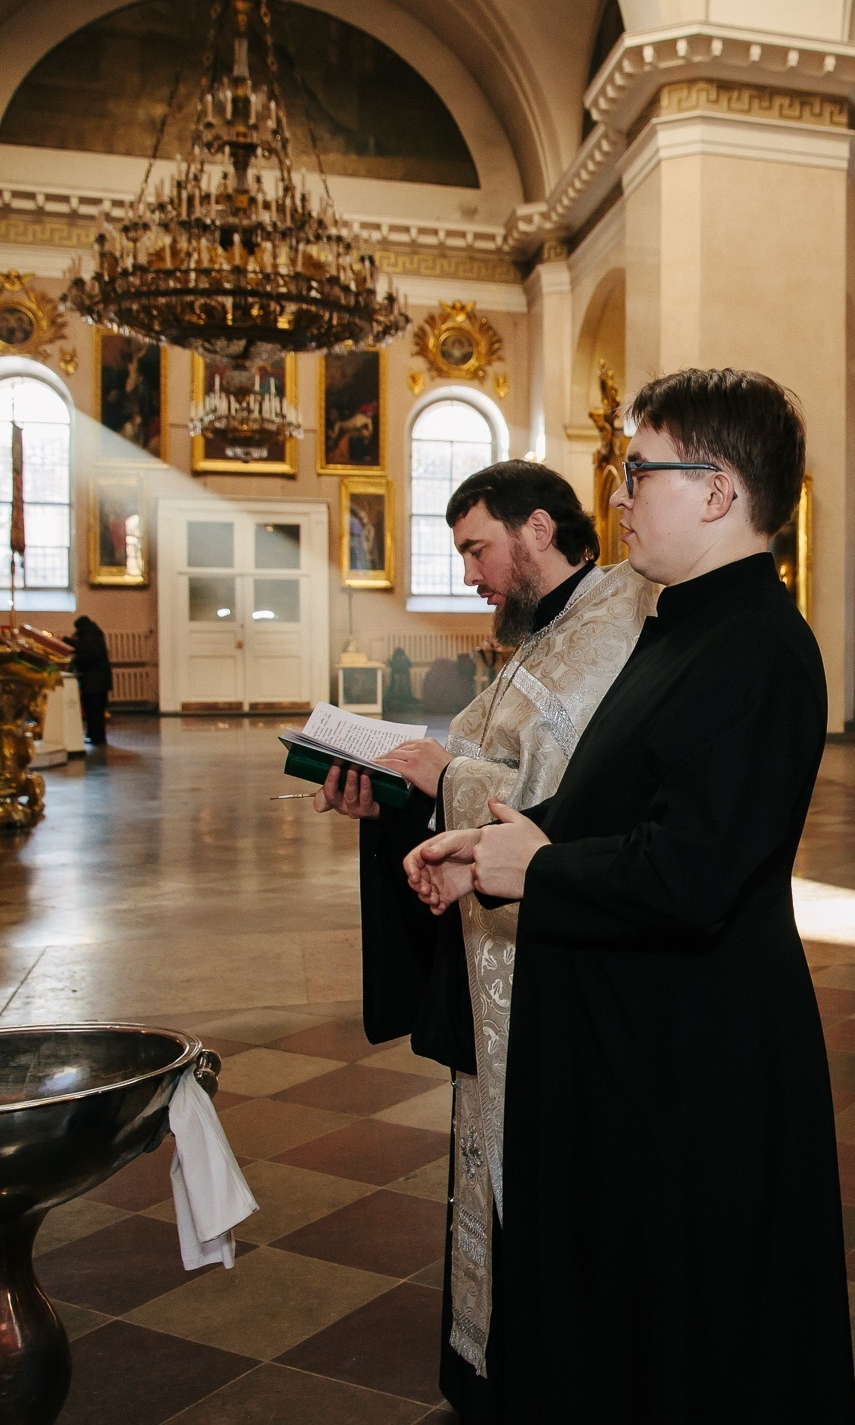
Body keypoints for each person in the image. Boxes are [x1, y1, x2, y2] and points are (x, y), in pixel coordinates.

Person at [401, 368, 854, 1420]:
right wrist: (491, 843)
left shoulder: (761, 648)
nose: (616, 496)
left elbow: (692, 870)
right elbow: (614, 800)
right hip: (637, 1036)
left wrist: (538, 868)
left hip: (699, 1052)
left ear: (714, 490)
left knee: (699, 1326)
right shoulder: (678, 623)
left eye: (636, 471)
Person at [315, 460, 658, 1418]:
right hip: (493, 937)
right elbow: (474, 752)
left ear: (538, 529)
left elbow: (560, 800)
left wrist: (436, 775)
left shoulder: (615, 623)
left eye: (476, 547)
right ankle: (497, 1362)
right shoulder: (541, 634)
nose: (469, 572)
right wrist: (384, 787)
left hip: (560, 947)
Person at [68, 616, 112, 748]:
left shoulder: (88, 636)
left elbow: (89, 655)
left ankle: (96, 737)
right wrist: (68, 641)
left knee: (93, 711)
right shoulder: (93, 633)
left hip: (93, 682)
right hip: (101, 680)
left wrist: (77, 662)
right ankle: (96, 735)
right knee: (97, 711)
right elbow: (85, 648)